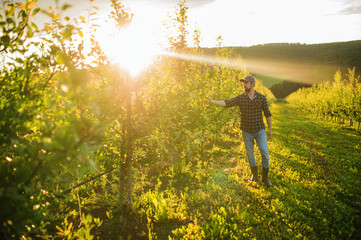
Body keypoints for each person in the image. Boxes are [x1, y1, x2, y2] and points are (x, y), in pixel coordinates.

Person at [208, 75, 272, 187]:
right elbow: (227, 103)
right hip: (247, 131)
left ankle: (265, 178)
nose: (244, 85)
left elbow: (267, 114)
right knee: (250, 154)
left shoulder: (262, 98)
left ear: (253, 84)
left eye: (246, 83)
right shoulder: (241, 98)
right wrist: (212, 101)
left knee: (265, 153)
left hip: (259, 130)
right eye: (243, 83)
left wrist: (270, 129)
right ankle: (255, 176)